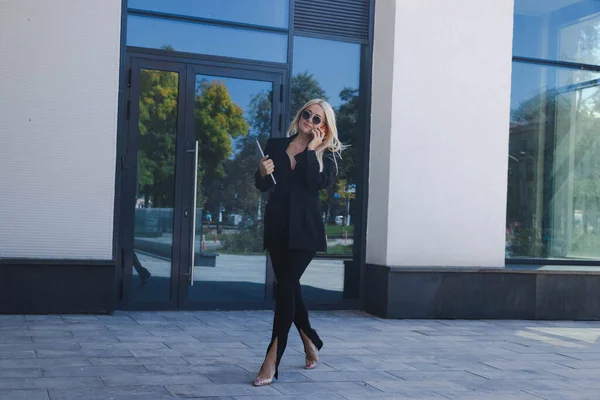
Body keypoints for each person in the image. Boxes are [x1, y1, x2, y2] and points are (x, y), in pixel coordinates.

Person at [252, 99, 344, 386]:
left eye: (317, 119)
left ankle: (271, 361)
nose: (310, 121)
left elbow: (313, 184)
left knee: (286, 290)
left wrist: (312, 150)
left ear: (324, 127)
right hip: (277, 229)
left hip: (304, 233)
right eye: (307, 114)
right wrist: (262, 173)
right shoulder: (276, 144)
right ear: (300, 115)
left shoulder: (325, 157)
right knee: (289, 288)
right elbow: (264, 186)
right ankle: (310, 339)